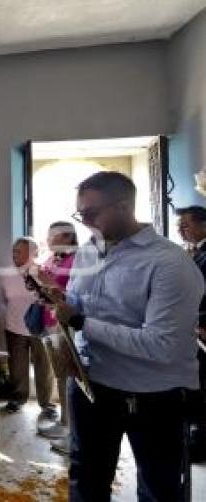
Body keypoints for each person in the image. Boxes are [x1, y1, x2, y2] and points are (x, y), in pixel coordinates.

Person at [54, 172, 202, 502]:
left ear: (123, 207)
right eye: (81, 214)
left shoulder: (168, 263)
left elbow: (162, 345)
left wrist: (81, 320)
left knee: (158, 487)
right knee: (86, 478)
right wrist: (62, 303)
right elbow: (82, 301)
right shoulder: (89, 251)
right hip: (92, 387)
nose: (85, 222)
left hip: (152, 396)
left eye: (92, 213)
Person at [0, 237, 56, 419]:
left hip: (39, 328)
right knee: (17, 366)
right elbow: (4, 298)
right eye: (14, 251)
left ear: (32, 253)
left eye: (19, 251)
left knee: (44, 367)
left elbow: (52, 298)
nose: (15, 254)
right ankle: (17, 399)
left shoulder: (41, 272)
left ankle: (46, 404)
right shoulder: (6, 273)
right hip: (14, 327)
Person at [37, 221, 79, 454]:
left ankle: (74, 432)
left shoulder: (79, 260)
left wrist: (48, 283)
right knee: (60, 374)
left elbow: (77, 294)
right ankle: (65, 422)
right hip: (49, 321)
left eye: (52, 235)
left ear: (65, 236)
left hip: (66, 324)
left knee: (71, 376)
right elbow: (47, 289)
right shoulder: (52, 259)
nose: (48, 239)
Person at [176, 205, 206, 462]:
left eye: (185, 225)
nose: (181, 230)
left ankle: (201, 442)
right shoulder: (193, 252)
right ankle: (196, 437)